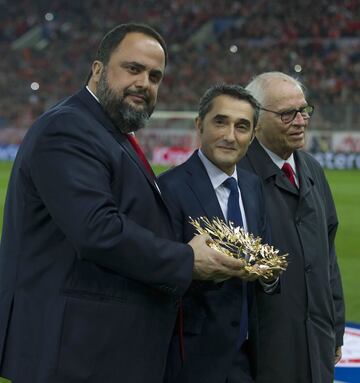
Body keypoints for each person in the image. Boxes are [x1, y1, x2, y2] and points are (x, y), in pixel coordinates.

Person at [0, 24, 249, 383]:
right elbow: (97, 231)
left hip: (94, 350)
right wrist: (188, 260)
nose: (144, 83)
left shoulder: (106, 132)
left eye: (155, 76)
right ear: (98, 69)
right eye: (133, 69)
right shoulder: (69, 128)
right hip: (73, 354)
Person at [158, 84, 280, 383]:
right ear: (199, 125)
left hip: (246, 359)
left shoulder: (252, 188)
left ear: (252, 135)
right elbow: (154, 272)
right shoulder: (168, 189)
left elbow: (265, 257)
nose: (230, 135)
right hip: (191, 361)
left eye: (241, 126)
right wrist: (194, 268)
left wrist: (268, 274)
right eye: (220, 122)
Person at [239, 71, 345, 383]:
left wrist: (335, 327)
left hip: (317, 340)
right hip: (264, 353)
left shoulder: (311, 168)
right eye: (287, 114)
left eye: (303, 110)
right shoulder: (238, 175)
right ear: (255, 120)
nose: (301, 121)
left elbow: (328, 258)